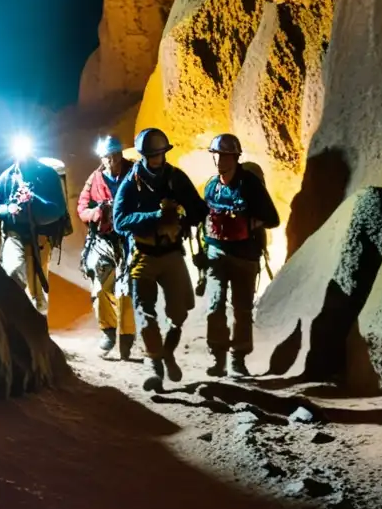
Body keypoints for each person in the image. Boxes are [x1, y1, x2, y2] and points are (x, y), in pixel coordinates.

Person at [114, 127, 207, 392]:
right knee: (145, 312)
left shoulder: (176, 178)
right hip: (143, 254)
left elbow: (199, 209)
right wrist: (154, 216)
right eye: (152, 155)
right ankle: (155, 366)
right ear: (143, 155)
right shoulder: (131, 183)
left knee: (180, 310)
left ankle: (167, 351)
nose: (156, 159)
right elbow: (120, 222)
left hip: (172, 253)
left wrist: (180, 219)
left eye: (159, 154)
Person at [201, 134, 280, 377]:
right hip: (216, 254)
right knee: (214, 306)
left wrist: (247, 223)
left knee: (241, 309)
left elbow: (273, 219)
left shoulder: (250, 186)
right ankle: (218, 357)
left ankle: (238, 358)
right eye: (216, 155)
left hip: (244, 256)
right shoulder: (211, 187)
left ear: (235, 157)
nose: (219, 161)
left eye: (224, 156)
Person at [0, 149, 68, 315]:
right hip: (14, 234)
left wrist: (33, 201)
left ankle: (38, 330)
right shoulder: (7, 176)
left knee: (38, 290)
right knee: (13, 270)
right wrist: (9, 209)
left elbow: (58, 208)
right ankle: (16, 319)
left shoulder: (48, 174)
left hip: (41, 237)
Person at [77, 135, 136, 359]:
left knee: (126, 290)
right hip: (103, 239)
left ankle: (127, 336)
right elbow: (82, 206)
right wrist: (96, 213)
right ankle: (108, 332)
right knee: (101, 287)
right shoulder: (95, 178)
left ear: (120, 154)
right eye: (106, 155)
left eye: (113, 155)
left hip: (128, 238)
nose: (110, 159)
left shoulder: (134, 175)